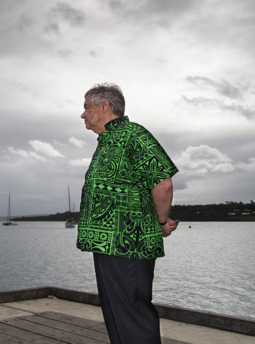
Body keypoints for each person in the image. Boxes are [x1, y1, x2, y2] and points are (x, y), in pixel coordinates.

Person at [77, 83, 179, 344]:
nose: (82, 114)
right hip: (107, 244)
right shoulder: (108, 141)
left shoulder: (133, 134)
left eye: (86, 107)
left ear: (105, 106)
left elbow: (162, 182)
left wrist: (159, 221)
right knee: (117, 314)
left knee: (132, 312)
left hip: (128, 243)